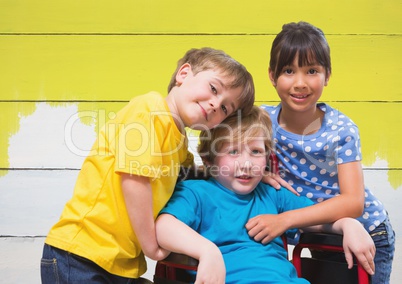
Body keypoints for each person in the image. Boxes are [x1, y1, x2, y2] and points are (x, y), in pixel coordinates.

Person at [40, 47, 255, 283]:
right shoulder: (149, 111)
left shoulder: (179, 140)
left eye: (225, 108)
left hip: (118, 263)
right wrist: (150, 244)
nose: (215, 104)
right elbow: (134, 180)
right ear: (183, 74)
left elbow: (194, 178)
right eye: (213, 89)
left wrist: (246, 171)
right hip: (81, 253)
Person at [156, 106, 375, 284]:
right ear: (209, 160)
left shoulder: (273, 194)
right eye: (233, 152)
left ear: (267, 157)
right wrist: (207, 251)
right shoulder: (196, 193)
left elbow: (317, 220)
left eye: (256, 152)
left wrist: (347, 225)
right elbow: (163, 226)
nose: (247, 164)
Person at [257, 21, 395, 284]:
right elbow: (229, 157)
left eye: (311, 71)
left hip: (364, 233)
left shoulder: (341, 130)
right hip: (318, 233)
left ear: (327, 75)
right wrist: (260, 173)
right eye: (288, 70)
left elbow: (353, 202)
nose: (300, 83)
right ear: (272, 76)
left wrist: (285, 220)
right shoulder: (262, 121)